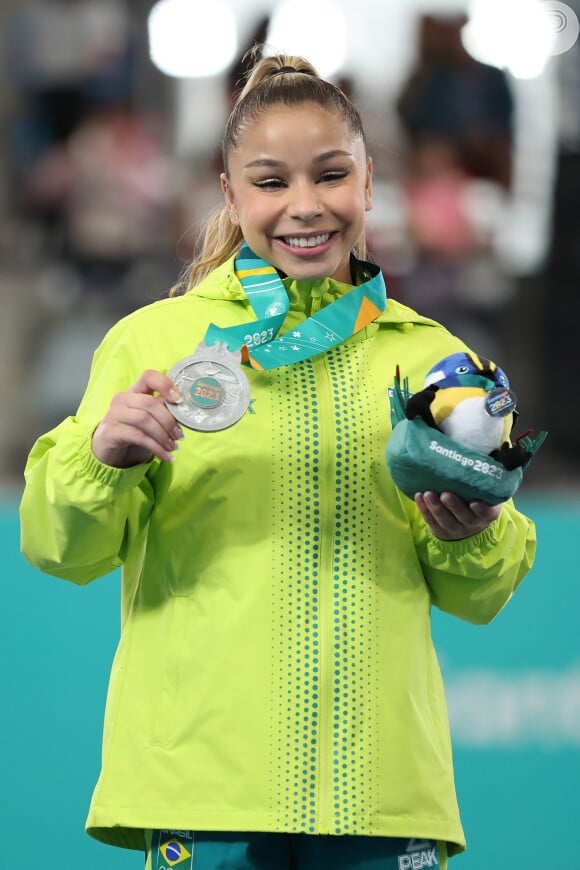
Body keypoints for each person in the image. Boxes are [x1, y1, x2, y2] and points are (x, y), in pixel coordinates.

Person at [20, 52, 537, 870]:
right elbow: (60, 548)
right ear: (228, 194)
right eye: (270, 182)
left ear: (370, 183)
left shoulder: (434, 362)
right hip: (203, 788)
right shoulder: (153, 344)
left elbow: (483, 595)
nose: (305, 206)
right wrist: (99, 459)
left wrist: (471, 531)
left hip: (381, 793)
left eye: (332, 176)